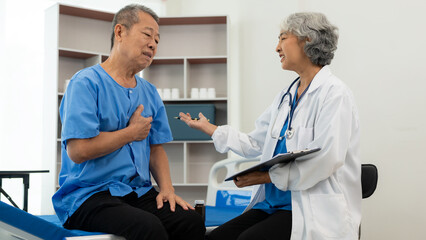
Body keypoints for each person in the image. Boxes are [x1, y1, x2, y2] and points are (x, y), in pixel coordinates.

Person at [179, 12, 361, 240]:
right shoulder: (286, 97)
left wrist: (265, 177)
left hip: (309, 209)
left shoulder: (335, 94)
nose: (277, 48)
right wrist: (211, 129)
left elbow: (326, 159)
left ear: (308, 40)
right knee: (215, 238)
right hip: (272, 205)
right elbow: (256, 142)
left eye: (283, 38)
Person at [52, 4, 205, 240]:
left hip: (136, 192)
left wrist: (167, 189)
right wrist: (130, 133)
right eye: (147, 35)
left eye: (157, 40)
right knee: (147, 227)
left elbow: (156, 148)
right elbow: (78, 150)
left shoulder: (150, 92)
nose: (153, 44)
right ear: (120, 32)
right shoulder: (85, 83)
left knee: (190, 222)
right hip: (88, 196)